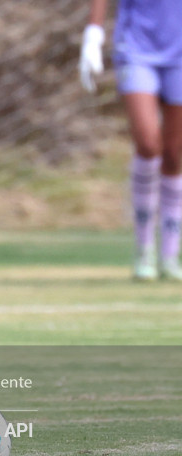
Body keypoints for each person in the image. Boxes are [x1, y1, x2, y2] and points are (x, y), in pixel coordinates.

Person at [80, 0, 182, 281]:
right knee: (148, 144)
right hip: (136, 49)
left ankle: (170, 253)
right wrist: (93, 35)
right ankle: (144, 249)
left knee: (174, 154)